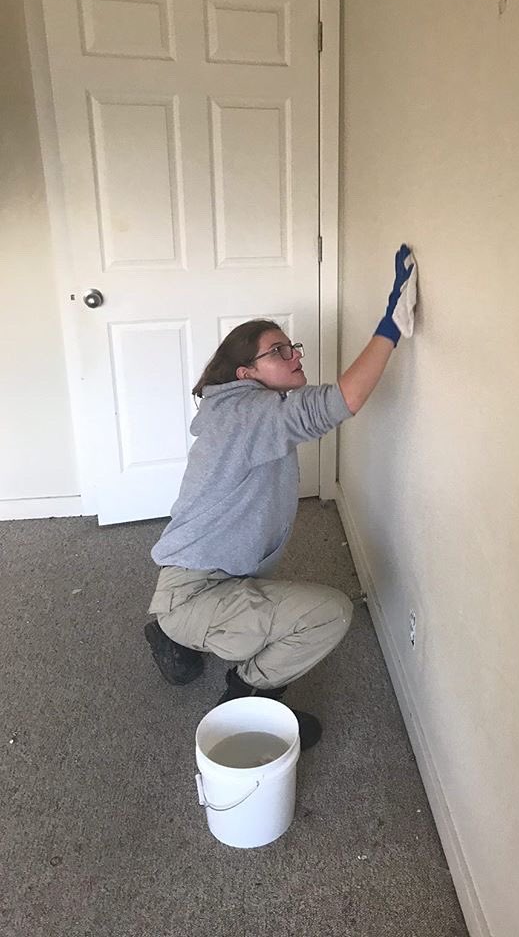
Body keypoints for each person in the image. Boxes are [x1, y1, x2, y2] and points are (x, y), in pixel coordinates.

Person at [144, 244, 416, 750]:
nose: (294, 357)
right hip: (197, 592)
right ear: (245, 374)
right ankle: (243, 692)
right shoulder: (248, 415)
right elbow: (337, 403)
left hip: (214, 575)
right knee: (329, 613)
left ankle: (170, 630)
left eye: (294, 348)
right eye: (279, 352)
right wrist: (391, 326)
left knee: (279, 609)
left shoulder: (241, 413)